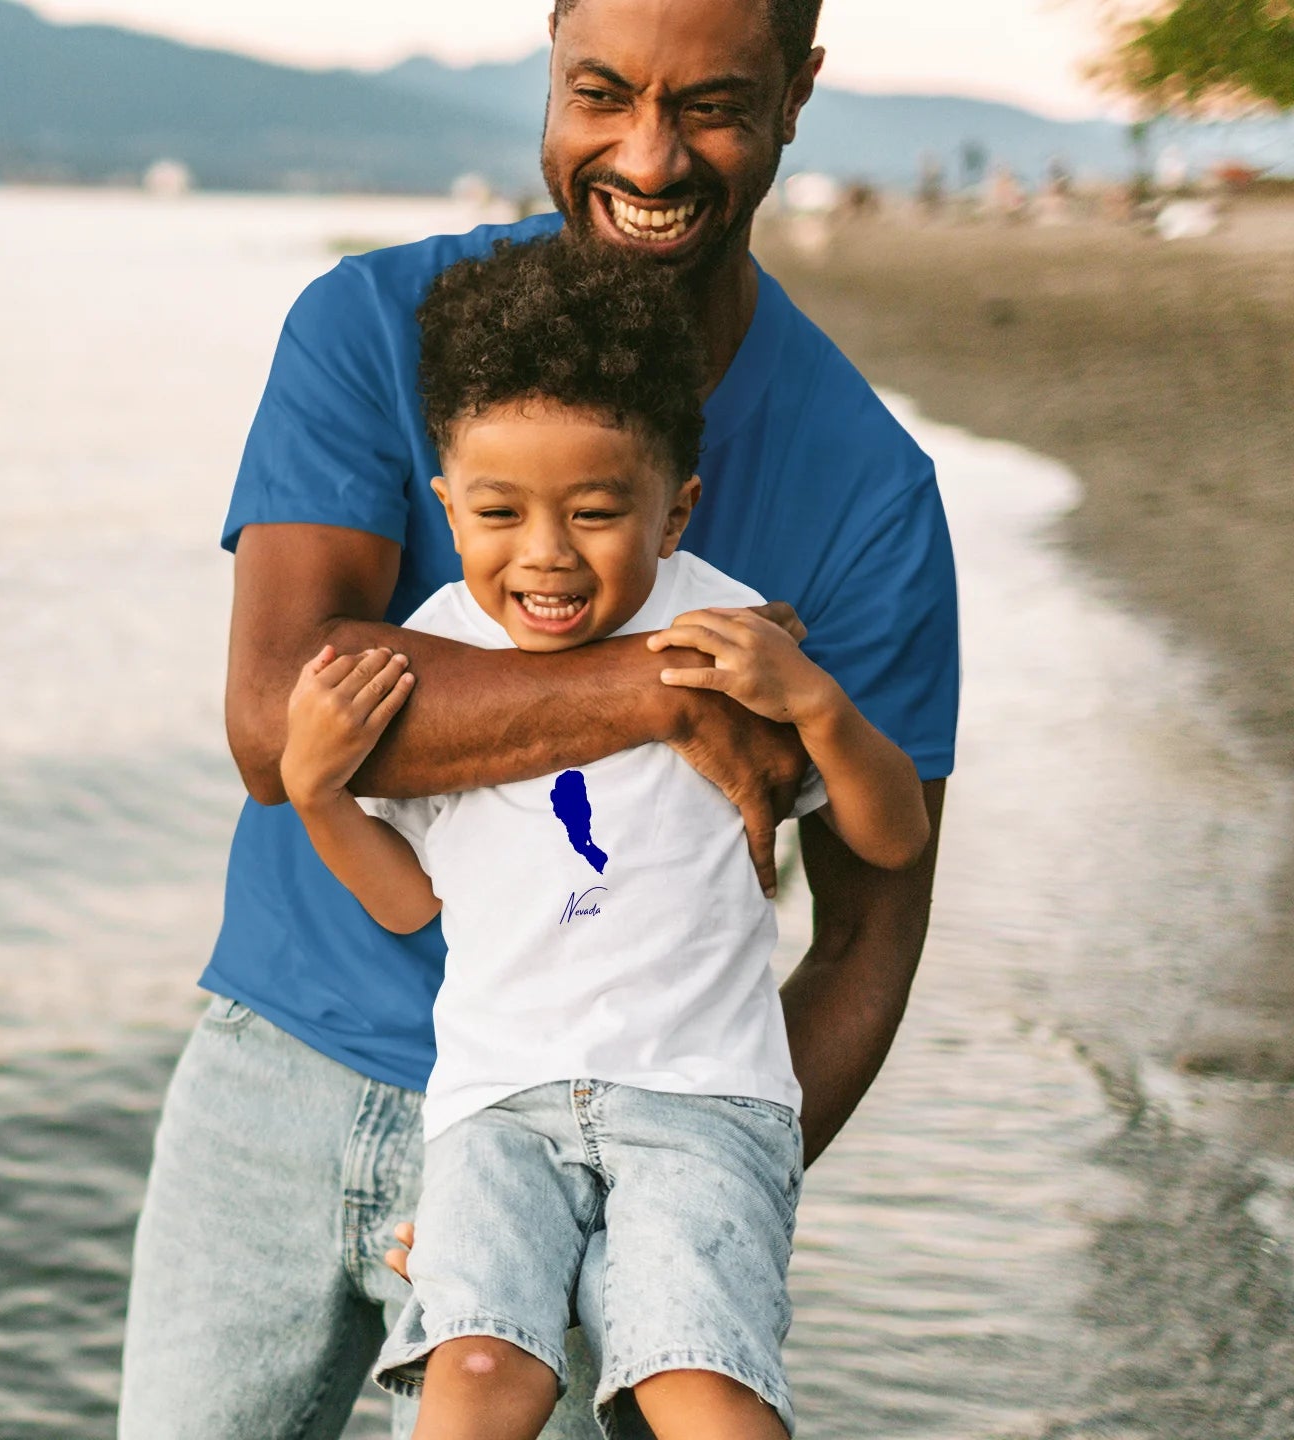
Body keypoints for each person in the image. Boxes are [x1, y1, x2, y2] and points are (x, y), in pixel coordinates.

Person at [117, 1, 959, 1436]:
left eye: (709, 104)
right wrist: (658, 691)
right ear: (551, 70)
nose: (647, 152)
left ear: (799, 92)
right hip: (281, 1074)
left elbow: (874, 921)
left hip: (611, 1135)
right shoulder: (371, 329)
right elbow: (276, 725)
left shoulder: (868, 488)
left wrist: (689, 1197)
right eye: (601, 92)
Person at [279, 236, 930, 1440]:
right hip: (499, 1106)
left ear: (674, 507)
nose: (546, 553)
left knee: (699, 1384)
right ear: (446, 506)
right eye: (498, 512)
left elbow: (888, 841)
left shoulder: (733, 637)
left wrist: (821, 709)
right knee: (476, 1377)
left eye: (594, 511)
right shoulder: (429, 653)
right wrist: (319, 796)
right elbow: (409, 903)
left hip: (701, 1098)